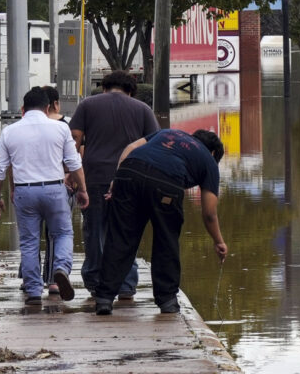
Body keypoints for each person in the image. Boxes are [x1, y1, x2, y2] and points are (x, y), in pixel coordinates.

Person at [93, 127, 228, 316]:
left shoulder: (167, 133)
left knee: (120, 236)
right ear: (213, 153)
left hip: (129, 172)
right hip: (166, 182)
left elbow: (132, 146)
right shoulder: (209, 161)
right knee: (166, 241)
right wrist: (218, 241)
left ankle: (104, 298)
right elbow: (209, 213)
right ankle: (167, 301)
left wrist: (117, 177)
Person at [0, 85, 88, 305]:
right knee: (62, 233)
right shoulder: (60, 128)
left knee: (29, 242)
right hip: (54, 188)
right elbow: (73, 163)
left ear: (23, 109)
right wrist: (82, 189)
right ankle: (60, 268)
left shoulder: (9, 131)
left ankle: (33, 291)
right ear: (47, 108)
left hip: (24, 191)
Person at [68, 70, 158, 299]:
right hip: (130, 179)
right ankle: (126, 285)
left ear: (105, 87)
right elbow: (155, 144)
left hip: (94, 177)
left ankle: (96, 283)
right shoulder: (142, 109)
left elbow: (74, 139)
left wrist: (69, 172)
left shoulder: (87, 105)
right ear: (131, 90)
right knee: (126, 231)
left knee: (95, 231)